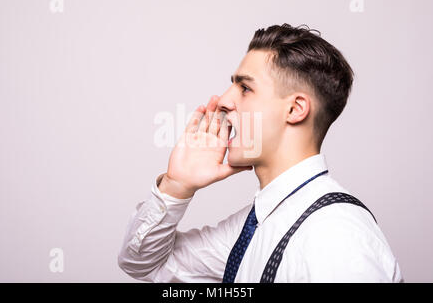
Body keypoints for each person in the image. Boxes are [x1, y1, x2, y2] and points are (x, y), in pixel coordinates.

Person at [118, 23, 403, 282]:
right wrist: (176, 186)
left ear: (294, 109)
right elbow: (146, 264)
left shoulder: (334, 235)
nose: (224, 101)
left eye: (244, 88)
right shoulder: (256, 224)